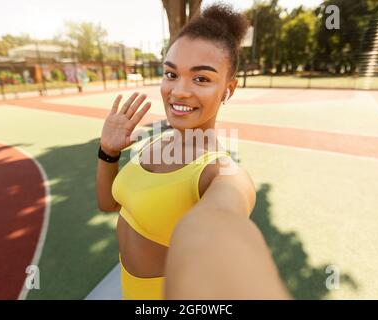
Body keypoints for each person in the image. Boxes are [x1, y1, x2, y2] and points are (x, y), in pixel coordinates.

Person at [96, 3, 290, 300]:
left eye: (201, 78)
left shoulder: (222, 175)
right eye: (171, 74)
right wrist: (108, 153)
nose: (179, 91)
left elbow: (220, 222)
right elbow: (109, 203)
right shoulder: (154, 143)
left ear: (229, 89)